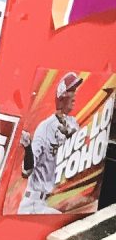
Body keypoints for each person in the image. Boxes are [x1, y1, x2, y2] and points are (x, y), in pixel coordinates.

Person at [18, 70, 81, 213]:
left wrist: (70, 136)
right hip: (34, 203)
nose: (74, 95)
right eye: (71, 90)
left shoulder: (73, 123)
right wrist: (27, 147)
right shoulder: (45, 127)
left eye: (75, 90)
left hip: (51, 202)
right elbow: (26, 171)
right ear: (61, 96)